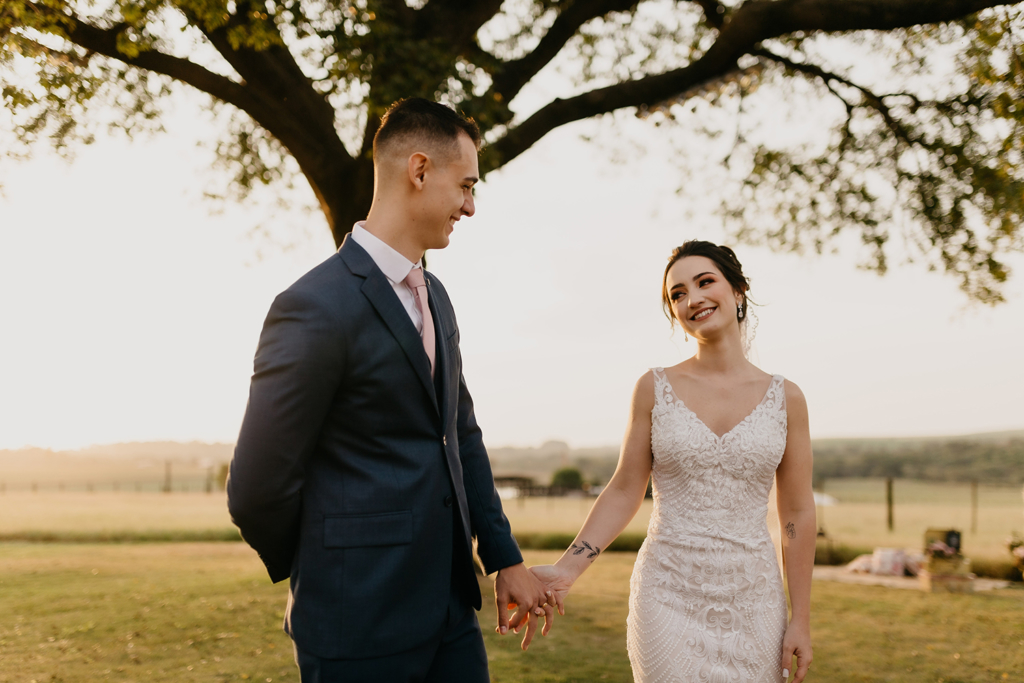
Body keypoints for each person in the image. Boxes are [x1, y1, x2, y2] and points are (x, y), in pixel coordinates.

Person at [227, 97, 555, 683]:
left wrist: (503, 557)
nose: (471, 206)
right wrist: (325, 565)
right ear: (420, 170)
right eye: (466, 186)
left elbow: (461, 434)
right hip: (356, 622)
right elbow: (256, 487)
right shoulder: (312, 307)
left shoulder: (439, 298)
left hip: (453, 620)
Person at [530, 240, 815, 682]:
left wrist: (800, 618)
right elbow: (625, 489)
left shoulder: (786, 398)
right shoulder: (653, 388)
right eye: (677, 295)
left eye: (705, 282)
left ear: (738, 290)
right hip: (667, 595)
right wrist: (568, 567)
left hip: (756, 599)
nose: (692, 299)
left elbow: (796, 511)